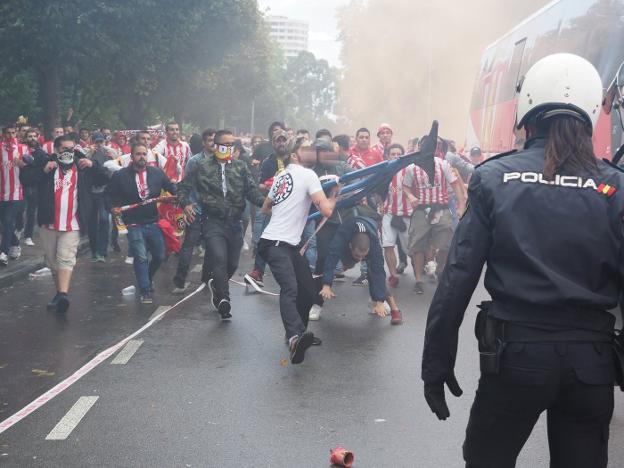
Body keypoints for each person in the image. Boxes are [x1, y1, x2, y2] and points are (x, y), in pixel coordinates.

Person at [421, 53, 622, 468]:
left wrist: (436, 362)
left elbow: (457, 277)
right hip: (592, 363)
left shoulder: (495, 178)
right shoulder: (615, 186)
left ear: (527, 110)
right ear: (589, 113)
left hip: (516, 360)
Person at [258, 136, 337, 363]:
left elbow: (265, 208)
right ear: (294, 155)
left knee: (308, 291)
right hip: (276, 243)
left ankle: (300, 333)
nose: (312, 152)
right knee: (290, 289)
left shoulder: (282, 176)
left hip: (286, 245)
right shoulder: (308, 175)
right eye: (307, 149)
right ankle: (294, 337)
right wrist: (335, 194)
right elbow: (328, 211)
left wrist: (287, 215)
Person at [178, 129, 266, 319]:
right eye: (224, 144)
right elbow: (183, 189)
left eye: (231, 144)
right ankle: (224, 300)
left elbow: (252, 192)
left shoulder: (241, 167)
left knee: (232, 263)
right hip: (212, 221)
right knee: (219, 258)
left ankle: (217, 287)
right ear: (215, 146)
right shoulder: (201, 166)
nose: (228, 148)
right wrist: (186, 205)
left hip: (235, 223)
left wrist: (268, 204)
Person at [20, 135, 105, 312]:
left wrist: (93, 164)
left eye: (71, 149)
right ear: (56, 150)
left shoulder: (82, 166)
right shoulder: (46, 163)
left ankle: (64, 295)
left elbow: (104, 178)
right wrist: (43, 170)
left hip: (72, 223)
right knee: (52, 261)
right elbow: (26, 179)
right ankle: (59, 293)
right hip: (48, 223)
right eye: (64, 149)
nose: (68, 152)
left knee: (65, 258)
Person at [105, 143, 177, 304]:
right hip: (133, 223)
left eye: (144, 154)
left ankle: (148, 278)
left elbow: (172, 188)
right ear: (132, 157)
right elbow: (108, 196)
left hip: (153, 221)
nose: (142, 157)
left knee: (159, 256)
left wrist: (181, 197)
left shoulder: (157, 173)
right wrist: (112, 208)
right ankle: (145, 290)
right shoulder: (120, 176)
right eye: (138, 154)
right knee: (141, 256)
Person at [402, 138, 466, 294]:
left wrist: (461, 206)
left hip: (441, 209)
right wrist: (410, 197)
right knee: (417, 246)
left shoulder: (443, 164)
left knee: (446, 244)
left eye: (434, 147)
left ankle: (440, 269)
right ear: (420, 148)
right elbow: (405, 186)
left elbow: (456, 185)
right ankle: (418, 280)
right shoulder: (412, 168)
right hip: (421, 210)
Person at [320, 216, 403, 325]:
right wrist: (326, 284)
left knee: (373, 273)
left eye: (363, 256)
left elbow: (379, 272)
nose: (360, 259)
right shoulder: (342, 236)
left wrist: (380, 301)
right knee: (344, 263)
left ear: (368, 250)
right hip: (349, 228)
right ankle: (347, 264)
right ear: (350, 246)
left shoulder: (374, 245)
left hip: (370, 225)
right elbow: (332, 257)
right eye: (358, 256)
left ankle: (395, 310)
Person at [172, 128, 216, 293]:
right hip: (196, 210)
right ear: (204, 143)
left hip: (214, 213)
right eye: (210, 140)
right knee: (189, 244)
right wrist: (187, 206)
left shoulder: (223, 161)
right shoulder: (194, 161)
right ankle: (180, 279)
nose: (214, 143)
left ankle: (206, 279)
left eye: (215, 140)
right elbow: (185, 186)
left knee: (212, 246)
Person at [245, 128, 290, 288]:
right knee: (265, 239)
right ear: (273, 143)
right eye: (278, 140)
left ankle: (306, 274)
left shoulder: (293, 160)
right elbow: (261, 185)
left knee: (302, 241)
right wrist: (272, 184)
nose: (281, 143)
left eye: (284, 140)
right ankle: (258, 271)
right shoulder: (268, 162)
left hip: (293, 208)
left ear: (288, 141)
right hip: (273, 207)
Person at [379, 144, 412, 287]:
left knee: (410, 248)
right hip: (389, 213)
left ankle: (421, 269)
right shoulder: (383, 171)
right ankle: (393, 275)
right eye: (393, 154)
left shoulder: (411, 171)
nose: (396, 156)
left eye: (399, 153)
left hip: (407, 214)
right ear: (387, 156)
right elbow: (377, 190)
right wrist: (381, 205)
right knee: (388, 244)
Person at [85, 132, 117, 262]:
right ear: (92, 142)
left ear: (104, 142)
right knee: (92, 222)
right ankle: (94, 251)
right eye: (96, 142)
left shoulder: (110, 152)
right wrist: (89, 154)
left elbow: (117, 168)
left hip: (105, 192)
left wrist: (112, 157)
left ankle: (102, 252)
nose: (99, 144)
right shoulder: (88, 152)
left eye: (101, 142)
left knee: (104, 220)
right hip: (91, 192)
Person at [0, 125, 28, 265]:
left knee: (9, 220)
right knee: (4, 223)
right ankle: (15, 243)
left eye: (13, 133)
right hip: (1, 193)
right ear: (3, 134)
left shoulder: (22, 148)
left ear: (16, 133)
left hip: (17, 193)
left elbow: (30, 166)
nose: (11, 135)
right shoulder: (0, 148)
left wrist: (23, 164)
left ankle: (3, 252)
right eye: (8, 133)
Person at [22, 128, 48, 247]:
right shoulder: (21, 150)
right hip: (20, 185)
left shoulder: (41, 153)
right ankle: (18, 230)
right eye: (29, 136)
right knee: (19, 211)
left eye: (34, 136)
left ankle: (28, 236)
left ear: (37, 137)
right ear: (25, 137)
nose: (32, 138)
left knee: (31, 212)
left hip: (34, 185)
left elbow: (43, 170)